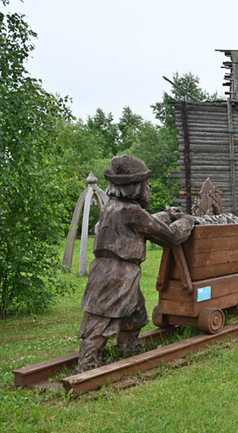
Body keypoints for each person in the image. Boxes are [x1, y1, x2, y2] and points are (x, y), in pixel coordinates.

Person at [77, 155, 195, 372]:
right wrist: (186, 222)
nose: (147, 187)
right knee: (102, 317)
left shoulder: (113, 206)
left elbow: (145, 222)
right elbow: (167, 236)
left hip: (112, 269)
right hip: (117, 272)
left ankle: (128, 347)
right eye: (145, 183)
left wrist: (168, 215)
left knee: (136, 312)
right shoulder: (131, 212)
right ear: (135, 186)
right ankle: (88, 362)